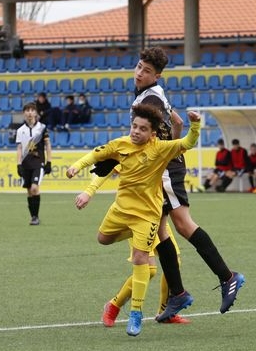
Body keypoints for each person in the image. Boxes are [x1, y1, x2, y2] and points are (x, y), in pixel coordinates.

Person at [126, 47, 244, 320]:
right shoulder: (152, 96)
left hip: (165, 170)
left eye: (146, 70)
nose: (139, 73)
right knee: (160, 231)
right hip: (164, 166)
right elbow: (176, 121)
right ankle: (178, 294)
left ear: (157, 75)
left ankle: (228, 277)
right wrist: (175, 145)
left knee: (182, 224)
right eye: (139, 66)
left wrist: (157, 157)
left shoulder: (150, 100)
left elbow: (151, 136)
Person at [66, 104, 201, 336]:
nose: (136, 131)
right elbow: (102, 164)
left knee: (166, 261)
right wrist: (85, 184)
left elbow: (186, 142)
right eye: (134, 126)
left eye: (142, 128)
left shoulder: (160, 149)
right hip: (124, 212)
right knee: (105, 240)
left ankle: (156, 312)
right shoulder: (121, 146)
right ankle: (115, 304)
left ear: (153, 133)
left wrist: (195, 125)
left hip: (149, 217)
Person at [75, 168, 190, 326]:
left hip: (156, 215)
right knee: (149, 270)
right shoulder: (131, 149)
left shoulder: (159, 148)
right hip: (134, 217)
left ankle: (166, 312)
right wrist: (89, 191)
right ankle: (114, 305)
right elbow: (106, 168)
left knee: (173, 263)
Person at [15, 102, 52, 225]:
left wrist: (49, 162)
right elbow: (19, 148)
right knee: (29, 191)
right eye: (27, 110)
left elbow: (47, 145)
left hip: (38, 163)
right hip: (26, 164)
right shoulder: (20, 130)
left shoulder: (42, 128)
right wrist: (18, 164)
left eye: (32, 110)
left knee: (35, 188)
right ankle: (33, 217)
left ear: (36, 113)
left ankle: (35, 216)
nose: (30, 112)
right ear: (24, 113)